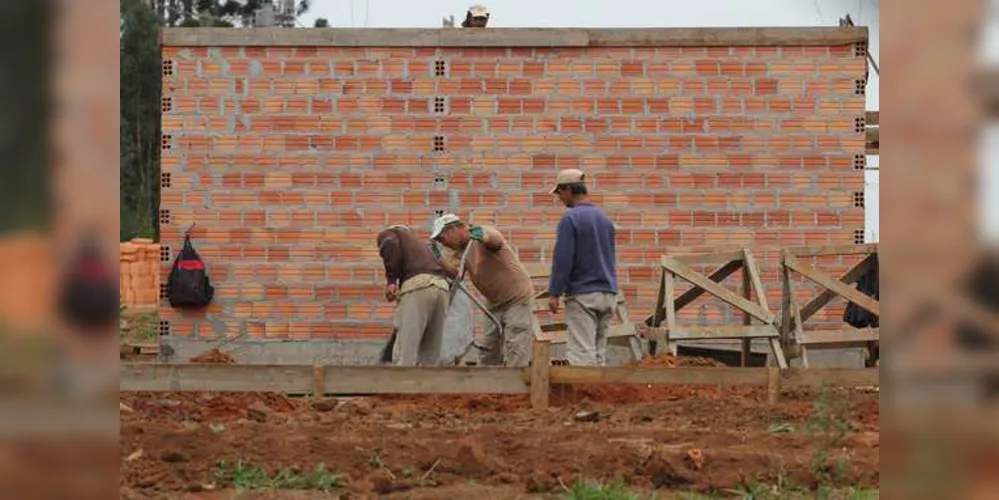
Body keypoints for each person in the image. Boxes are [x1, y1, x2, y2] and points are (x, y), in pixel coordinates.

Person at [430, 214, 538, 367]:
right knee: (487, 347)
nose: (443, 244)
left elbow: (495, 240)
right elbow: (456, 274)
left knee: (516, 345)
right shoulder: (458, 251)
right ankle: (488, 387)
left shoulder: (479, 234)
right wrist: (438, 260)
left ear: (452, 229)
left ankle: (516, 387)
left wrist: (483, 236)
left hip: (517, 298)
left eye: (442, 239)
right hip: (494, 303)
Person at [547, 169, 619, 366]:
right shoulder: (604, 218)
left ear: (569, 189)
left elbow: (563, 260)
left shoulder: (571, 219)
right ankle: (599, 394)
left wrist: (555, 293)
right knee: (599, 356)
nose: (560, 198)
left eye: (560, 193)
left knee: (582, 356)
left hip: (583, 295)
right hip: (608, 293)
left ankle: (583, 396)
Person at [376, 224, 449, 366]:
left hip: (419, 286)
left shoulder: (390, 234)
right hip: (441, 287)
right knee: (430, 352)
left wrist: (391, 281)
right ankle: (428, 386)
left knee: (406, 349)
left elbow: (389, 243)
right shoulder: (421, 247)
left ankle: (401, 386)